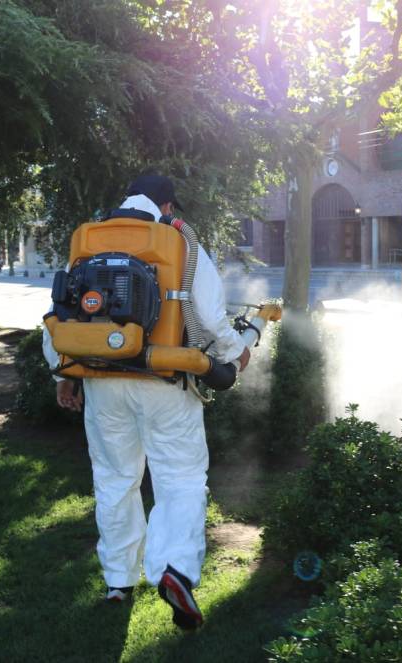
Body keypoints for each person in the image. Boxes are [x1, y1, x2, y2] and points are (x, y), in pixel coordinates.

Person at [45, 174, 250, 630]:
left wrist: (61, 374)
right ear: (168, 204)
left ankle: (119, 580)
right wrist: (238, 354)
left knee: (115, 479)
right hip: (163, 376)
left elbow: (60, 312)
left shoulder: (90, 239)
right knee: (179, 477)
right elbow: (212, 313)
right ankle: (174, 569)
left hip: (100, 381)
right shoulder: (177, 241)